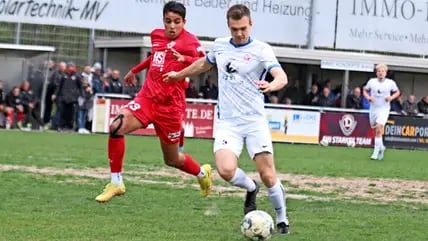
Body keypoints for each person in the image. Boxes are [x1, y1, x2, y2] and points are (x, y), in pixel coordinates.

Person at [163, 4, 290, 234]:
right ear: (228, 27)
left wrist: (271, 85)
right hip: (228, 123)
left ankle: (282, 218)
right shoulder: (220, 46)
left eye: (243, 28)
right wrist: (178, 75)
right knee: (225, 170)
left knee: (268, 175)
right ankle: (251, 188)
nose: (239, 33)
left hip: (254, 122)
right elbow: (203, 64)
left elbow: (281, 76)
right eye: (234, 29)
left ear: (251, 24)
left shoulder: (262, 50)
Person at [95, 1, 211, 203]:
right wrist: (135, 70)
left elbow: (206, 64)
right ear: (163, 21)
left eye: (177, 22)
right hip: (147, 98)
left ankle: (202, 174)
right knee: (116, 126)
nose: (172, 26)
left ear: (184, 22)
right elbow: (155, 57)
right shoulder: (156, 35)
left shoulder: (191, 42)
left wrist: (183, 60)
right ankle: (116, 182)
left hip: (170, 108)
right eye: (168, 21)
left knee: (172, 160)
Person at [363, 64, 400, 160]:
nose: (381, 73)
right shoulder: (372, 82)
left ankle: (375, 152)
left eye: (383, 71)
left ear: (386, 73)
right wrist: (368, 97)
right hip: (373, 109)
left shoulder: (390, 83)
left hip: (384, 109)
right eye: (379, 71)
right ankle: (382, 147)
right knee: (376, 130)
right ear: (376, 72)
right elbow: (365, 90)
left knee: (379, 128)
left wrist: (391, 97)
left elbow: (397, 92)